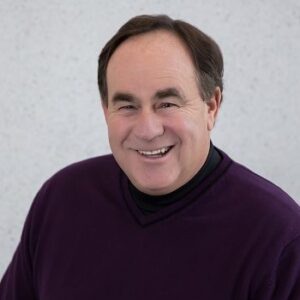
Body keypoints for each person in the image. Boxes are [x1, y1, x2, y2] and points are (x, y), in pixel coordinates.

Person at [0, 14, 299, 300]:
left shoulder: (280, 238)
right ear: (106, 111)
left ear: (211, 107)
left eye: (167, 103)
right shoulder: (62, 199)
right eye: (127, 106)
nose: (147, 130)